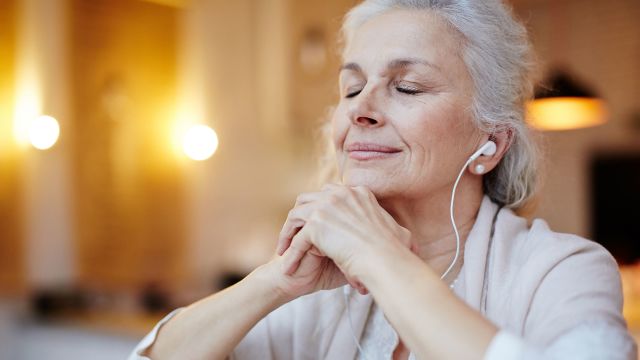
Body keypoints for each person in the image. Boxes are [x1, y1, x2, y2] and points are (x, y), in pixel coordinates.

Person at [130, 0, 637, 359]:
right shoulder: (321, 290)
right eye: (352, 89)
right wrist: (273, 281)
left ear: (491, 144)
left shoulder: (562, 270)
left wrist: (383, 259)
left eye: (407, 87)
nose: (360, 111)